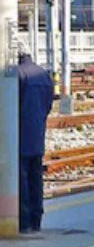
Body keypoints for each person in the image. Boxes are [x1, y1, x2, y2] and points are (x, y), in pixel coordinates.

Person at [16, 43, 54, 234]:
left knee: (20, 179)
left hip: (17, 135)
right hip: (37, 134)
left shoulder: (16, 75)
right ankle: (36, 220)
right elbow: (48, 105)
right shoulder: (43, 75)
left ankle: (23, 222)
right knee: (35, 177)